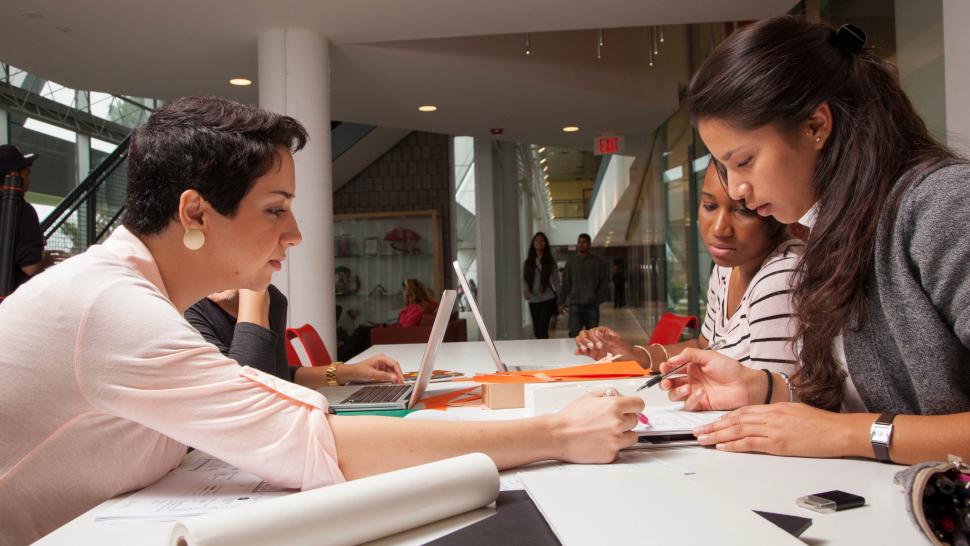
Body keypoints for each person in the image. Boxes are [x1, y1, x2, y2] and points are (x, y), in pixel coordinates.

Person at [0, 97, 644, 544]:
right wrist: (557, 432)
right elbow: (317, 443)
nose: (297, 234)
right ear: (194, 213)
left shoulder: (128, 293)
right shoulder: (110, 308)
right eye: (276, 209)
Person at [657, 16, 970, 465]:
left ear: (815, 126)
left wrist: (849, 435)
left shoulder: (943, 205)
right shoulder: (837, 229)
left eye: (744, 161)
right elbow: (866, 397)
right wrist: (760, 388)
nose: (738, 190)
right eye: (726, 168)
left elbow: (857, 425)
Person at [576, 162, 800, 374]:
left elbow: (774, 403)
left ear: (775, 211)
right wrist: (635, 354)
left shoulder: (781, 276)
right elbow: (704, 345)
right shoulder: (726, 270)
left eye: (743, 211)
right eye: (710, 206)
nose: (720, 229)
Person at [185, 286, 404, 388]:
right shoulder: (187, 308)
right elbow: (245, 393)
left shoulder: (273, 299)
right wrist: (255, 286)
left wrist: (350, 371)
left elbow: (276, 376)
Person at [0, 144, 65, 293]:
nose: (29, 181)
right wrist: (45, 259)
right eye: (26, 174)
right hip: (10, 303)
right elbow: (31, 267)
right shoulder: (21, 209)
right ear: (14, 177)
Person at [558, 233, 610, 337]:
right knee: (574, 334)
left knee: (592, 337)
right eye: (579, 242)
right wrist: (562, 301)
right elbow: (566, 283)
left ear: (589, 244)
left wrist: (598, 299)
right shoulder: (571, 262)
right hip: (575, 304)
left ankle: (589, 354)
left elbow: (604, 283)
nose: (581, 244)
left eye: (584, 242)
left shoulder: (597, 262)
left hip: (592, 305)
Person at [522, 232, 561, 339]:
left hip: (547, 299)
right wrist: (525, 291)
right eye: (537, 240)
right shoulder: (528, 262)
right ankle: (542, 351)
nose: (539, 242)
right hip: (533, 300)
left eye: (542, 240)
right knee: (536, 330)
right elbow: (525, 279)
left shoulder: (550, 261)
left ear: (545, 244)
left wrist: (560, 300)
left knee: (542, 329)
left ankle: (545, 353)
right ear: (533, 243)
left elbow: (556, 281)